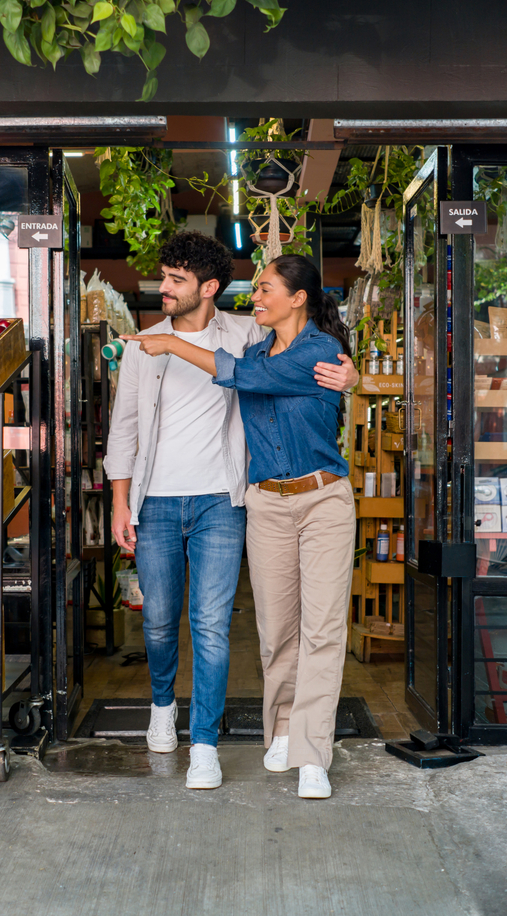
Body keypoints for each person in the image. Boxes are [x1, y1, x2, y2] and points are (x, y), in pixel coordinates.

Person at [104, 233, 357, 792]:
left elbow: (286, 360)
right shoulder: (147, 344)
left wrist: (353, 377)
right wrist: (120, 501)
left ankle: (215, 747)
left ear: (208, 288)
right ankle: (177, 707)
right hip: (192, 501)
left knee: (218, 626)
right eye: (162, 277)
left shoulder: (246, 336)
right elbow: (122, 430)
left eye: (175, 279)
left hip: (228, 498)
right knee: (174, 624)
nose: (163, 288)